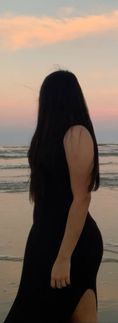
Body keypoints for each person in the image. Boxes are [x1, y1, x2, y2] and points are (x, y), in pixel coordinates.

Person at [4, 69, 104, 323]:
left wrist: (63, 258)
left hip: (70, 243)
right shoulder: (47, 137)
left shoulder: (77, 134)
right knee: (80, 314)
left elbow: (82, 198)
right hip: (44, 238)